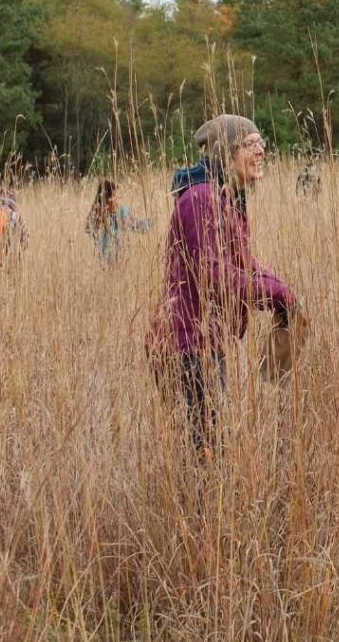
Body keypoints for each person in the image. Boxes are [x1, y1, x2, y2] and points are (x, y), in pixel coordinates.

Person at [148, 114, 297, 451]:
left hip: (204, 341)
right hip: (185, 344)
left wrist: (281, 289)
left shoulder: (225, 198)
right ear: (224, 153)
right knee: (205, 451)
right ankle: (192, 505)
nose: (261, 151)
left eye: (262, 143)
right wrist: (276, 293)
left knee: (208, 445)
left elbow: (241, 264)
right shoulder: (201, 199)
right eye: (250, 145)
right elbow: (214, 275)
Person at [84, 179, 149, 263]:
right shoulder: (97, 214)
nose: (116, 199)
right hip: (109, 259)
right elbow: (91, 233)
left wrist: (150, 223)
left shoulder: (121, 210)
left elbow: (135, 225)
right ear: (108, 198)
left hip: (118, 257)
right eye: (114, 195)